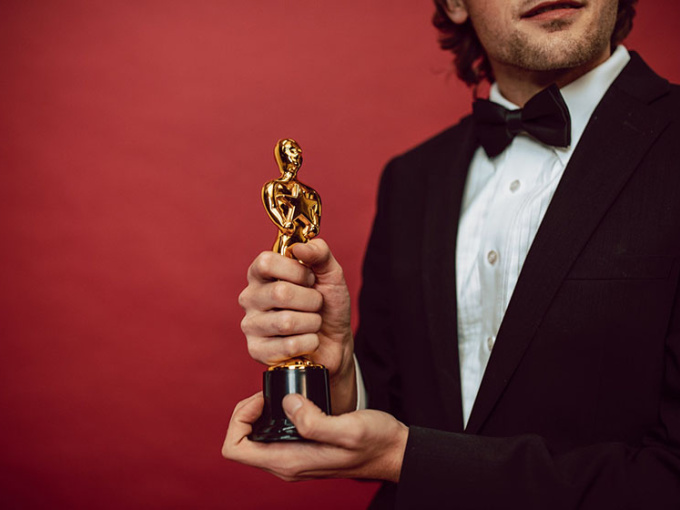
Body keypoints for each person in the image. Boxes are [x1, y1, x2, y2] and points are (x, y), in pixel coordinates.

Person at [224, 0, 680, 507]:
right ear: (456, 4)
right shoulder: (411, 180)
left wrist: (407, 458)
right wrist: (342, 377)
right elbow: (398, 409)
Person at [262, 139, 321, 259]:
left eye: (299, 152)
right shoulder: (274, 187)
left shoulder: (310, 193)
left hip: (305, 245)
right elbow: (273, 207)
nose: (297, 155)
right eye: (292, 150)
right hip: (286, 242)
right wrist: (284, 224)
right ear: (282, 156)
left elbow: (315, 213)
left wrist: (313, 226)